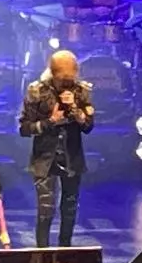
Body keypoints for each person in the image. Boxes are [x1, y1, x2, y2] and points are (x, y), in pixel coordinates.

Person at [19, 50, 95, 247]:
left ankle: (65, 249)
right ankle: (42, 251)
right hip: (45, 159)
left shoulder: (81, 92)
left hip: (72, 158)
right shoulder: (37, 92)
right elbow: (24, 128)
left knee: (69, 208)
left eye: (71, 78)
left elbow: (88, 127)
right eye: (63, 79)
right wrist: (50, 121)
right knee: (46, 209)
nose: (67, 83)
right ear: (53, 73)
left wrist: (79, 115)